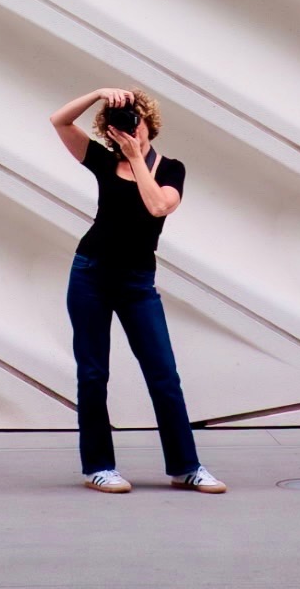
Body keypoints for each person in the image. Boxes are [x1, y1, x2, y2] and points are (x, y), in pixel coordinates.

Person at [48, 85, 227, 496]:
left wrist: (135, 159)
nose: (130, 129)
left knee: (164, 375)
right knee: (93, 374)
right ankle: (99, 467)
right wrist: (95, 93)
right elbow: (59, 120)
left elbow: (158, 207)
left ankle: (186, 468)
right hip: (90, 274)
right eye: (119, 125)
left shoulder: (171, 169)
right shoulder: (102, 160)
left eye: (135, 120)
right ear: (110, 131)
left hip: (136, 282)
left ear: (149, 122)